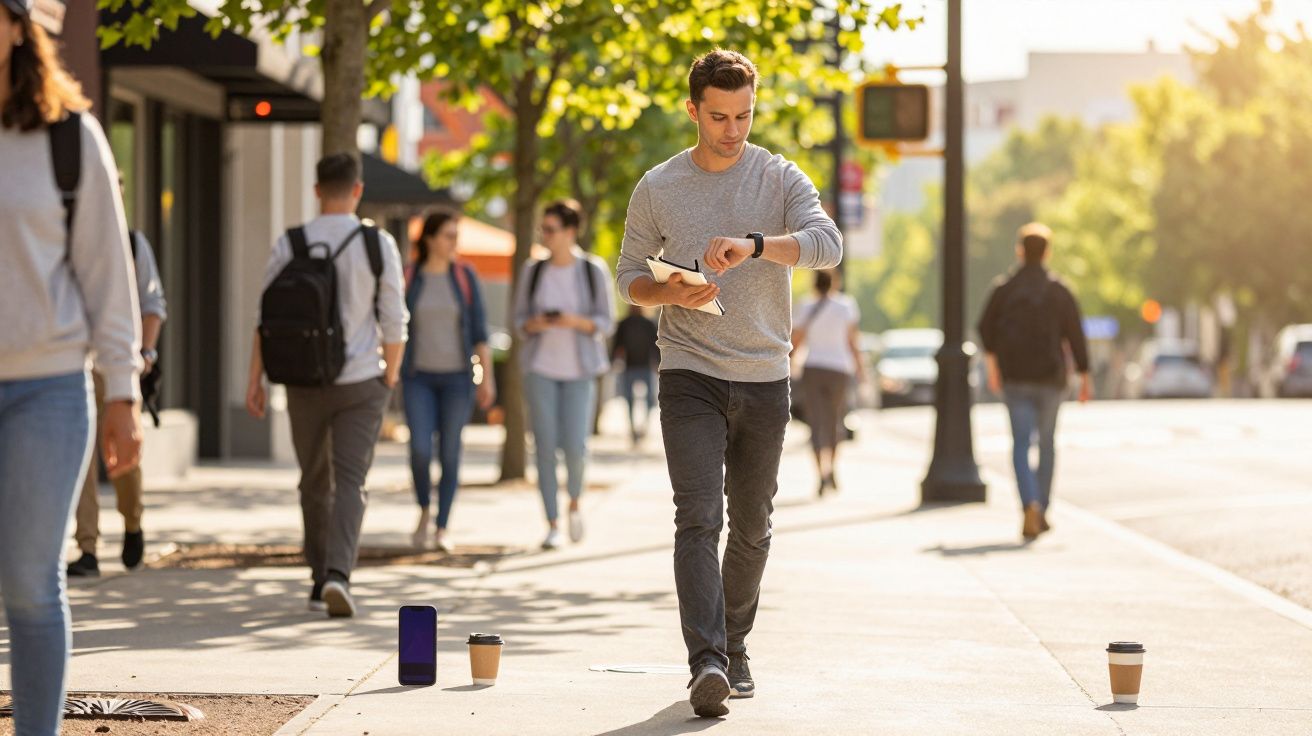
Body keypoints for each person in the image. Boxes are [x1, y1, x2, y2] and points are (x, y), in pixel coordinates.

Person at [616, 49, 842, 717]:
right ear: (693, 110)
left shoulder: (778, 176)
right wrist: (668, 292)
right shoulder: (658, 186)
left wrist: (755, 244)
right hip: (690, 372)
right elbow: (628, 278)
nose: (733, 130)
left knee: (752, 527)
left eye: (744, 115)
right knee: (698, 517)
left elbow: (827, 243)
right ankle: (706, 661)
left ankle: (735, 643)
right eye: (718, 117)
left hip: (766, 376)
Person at [0, 1, 144, 732]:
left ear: (18, 27)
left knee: (27, 585)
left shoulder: (67, 137)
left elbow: (107, 275)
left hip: (47, 390)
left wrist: (123, 391)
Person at [245, 153, 408, 618]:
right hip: (361, 381)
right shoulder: (378, 245)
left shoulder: (291, 242)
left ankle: (319, 579)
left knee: (313, 481)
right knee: (352, 481)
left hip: (302, 382)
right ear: (357, 190)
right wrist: (389, 376)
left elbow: (265, 318)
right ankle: (339, 573)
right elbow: (394, 319)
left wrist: (253, 378)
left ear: (316, 190)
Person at [68, 175, 168, 577]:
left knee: (122, 453)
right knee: (82, 458)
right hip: (75, 361)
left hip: (118, 361)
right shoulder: (69, 238)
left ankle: (132, 520)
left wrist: (145, 352)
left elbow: (152, 303)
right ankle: (87, 546)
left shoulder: (131, 242)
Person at [977, 222, 1092, 541]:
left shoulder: (1004, 288)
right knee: (1048, 444)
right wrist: (1085, 375)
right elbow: (1076, 334)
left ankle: (1028, 504)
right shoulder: (1060, 290)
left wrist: (993, 366)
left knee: (1020, 444)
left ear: (1019, 250)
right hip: (1051, 377)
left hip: (1015, 377)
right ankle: (1042, 506)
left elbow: (985, 328)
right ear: (1047, 253)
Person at [512, 199, 614, 550]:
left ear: (571, 232)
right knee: (543, 447)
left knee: (575, 446)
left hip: (580, 369)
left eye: (552, 229)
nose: (546, 235)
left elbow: (605, 321)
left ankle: (573, 502)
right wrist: (536, 323)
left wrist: (574, 321)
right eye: (544, 228)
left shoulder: (592, 269)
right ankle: (552, 523)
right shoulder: (533, 269)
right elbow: (518, 321)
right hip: (539, 367)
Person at [402, 208, 496, 553]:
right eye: (448, 235)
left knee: (451, 451)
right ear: (429, 238)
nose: (454, 242)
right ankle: (424, 509)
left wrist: (486, 378)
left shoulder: (465, 276)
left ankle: (442, 527)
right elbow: (397, 327)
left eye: (456, 236)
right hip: (417, 378)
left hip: (458, 379)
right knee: (420, 448)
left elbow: (480, 331)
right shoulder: (410, 277)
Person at [792, 268, 863, 497]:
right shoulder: (846, 306)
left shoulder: (806, 305)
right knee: (834, 420)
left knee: (816, 422)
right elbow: (853, 342)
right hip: (839, 369)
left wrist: (789, 364)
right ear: (834, 282)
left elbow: (797, 339)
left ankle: (819, 475)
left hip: (813, 368)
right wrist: (861, 370)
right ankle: (831, 468)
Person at [611, 305, 659, 445]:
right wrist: (613, 360)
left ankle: (644, 427)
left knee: (650, 400)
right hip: (629, 367)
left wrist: (658, 364)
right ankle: (632, 429)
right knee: (628, 400)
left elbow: (656, 345)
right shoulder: (624, 323)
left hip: (646, 367)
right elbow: (617, 344)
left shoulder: (649, 323)